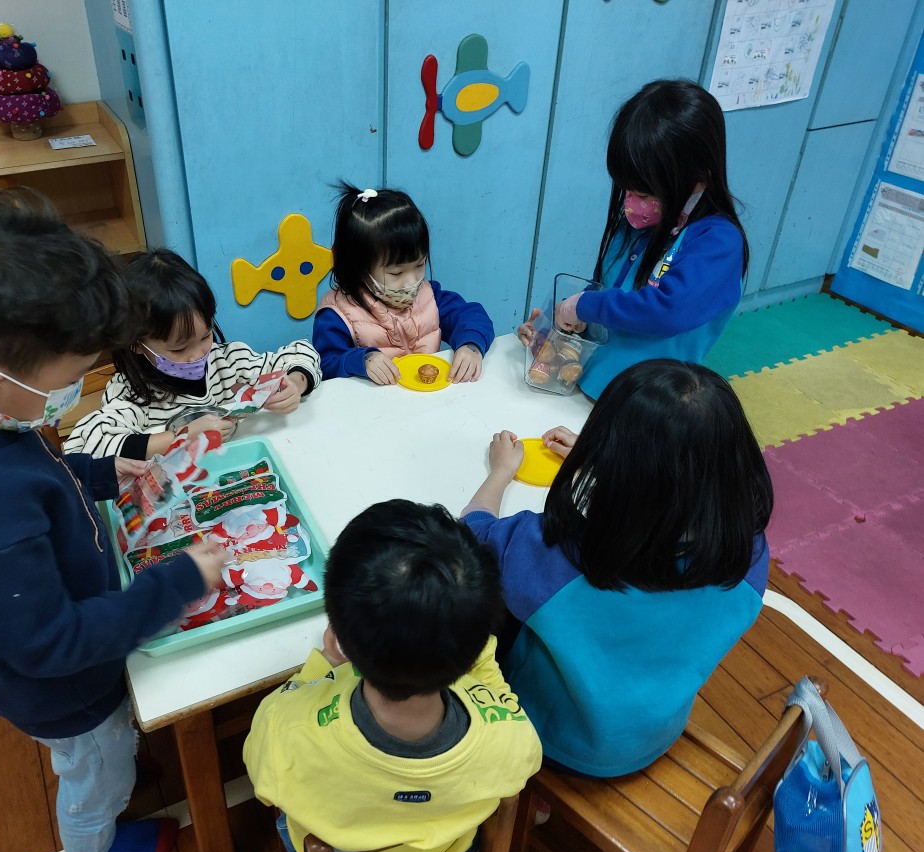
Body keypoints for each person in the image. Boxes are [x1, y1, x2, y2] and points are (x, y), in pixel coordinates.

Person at [0, 189, 225, 852]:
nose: (68, 399)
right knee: (96, 777)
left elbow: (34, 476)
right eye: (66, 383)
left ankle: (109, 770)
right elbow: (55, 642)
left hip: (65, 639)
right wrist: (178, 582)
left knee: (106, 753)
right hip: (67, 692)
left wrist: (102, 471)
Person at [462, 359, 773, 778]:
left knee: (474, 611)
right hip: (655, 734)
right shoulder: (749, 554)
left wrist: (501, 472)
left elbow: (472, 535)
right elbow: (680, 488)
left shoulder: (560, 554)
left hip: (551, 740)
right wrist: (615, 465)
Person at [244, 500, 542, 852]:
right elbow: (500, 706)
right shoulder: (512, 739)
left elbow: (263, 781)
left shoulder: (285, 728)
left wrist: (324, 665)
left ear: (339, 635)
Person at [518, 79, 750, 400]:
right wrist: (554, 329)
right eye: (627, 187)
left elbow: (666, 311)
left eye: (644, 192)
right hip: (589, 389)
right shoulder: (641, 222)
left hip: (644, 408)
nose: (631, 201)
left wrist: (585, 306)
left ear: (699, 179)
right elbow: (607, 295)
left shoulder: (718, 244)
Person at [65, 249, 322, 459]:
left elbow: (300, 352)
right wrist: (179, 438)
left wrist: (295, 382)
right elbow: (89, 444)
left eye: (205, 336)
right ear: (135, 343)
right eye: (179, 348)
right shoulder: (132, 392)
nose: (199, 354)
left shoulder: (227, 361)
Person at [313, 183, 494, 385]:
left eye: (419, 265)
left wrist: (471, 345)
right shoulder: (337, 315)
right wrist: (361, 360)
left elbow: (472, 316)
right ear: (358, 268)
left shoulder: (429, 296)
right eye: (396, 272)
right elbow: (324, 365)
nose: (412, 281)